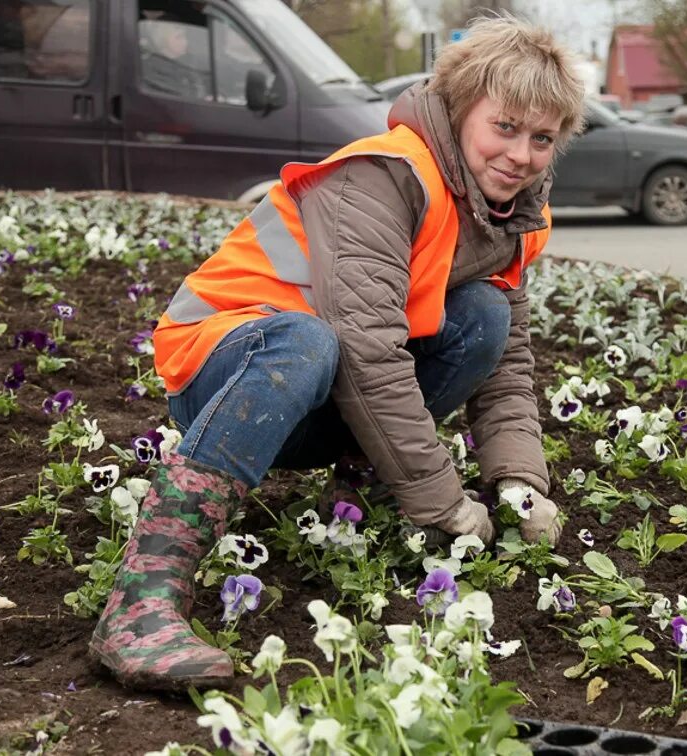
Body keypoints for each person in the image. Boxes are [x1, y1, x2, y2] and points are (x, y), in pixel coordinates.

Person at [90, 15, 585, 691]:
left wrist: (519, 481)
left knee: (485, 317)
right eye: (505, 126)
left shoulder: (510, 217)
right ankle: (142, 598)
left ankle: (355, 500)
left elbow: (506, 365)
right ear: (461, 110)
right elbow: (368, 350)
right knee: (309, 339)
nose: (521, 155)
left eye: (541, 138)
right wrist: (441, 499)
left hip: (321, 391)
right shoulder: (385, 176)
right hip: (226, 373)